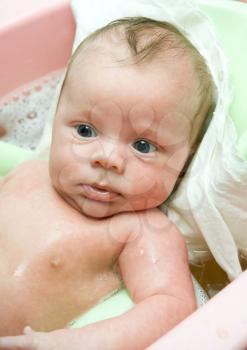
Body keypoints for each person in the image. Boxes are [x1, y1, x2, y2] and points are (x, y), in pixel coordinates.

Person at [0, 17, 214, 350]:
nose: (107, 159)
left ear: (186, 161)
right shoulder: (30, 173)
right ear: (56, 118)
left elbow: (170, 306)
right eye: (85, 130)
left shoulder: (142, 230)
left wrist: (74, 342)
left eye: (144, 146)